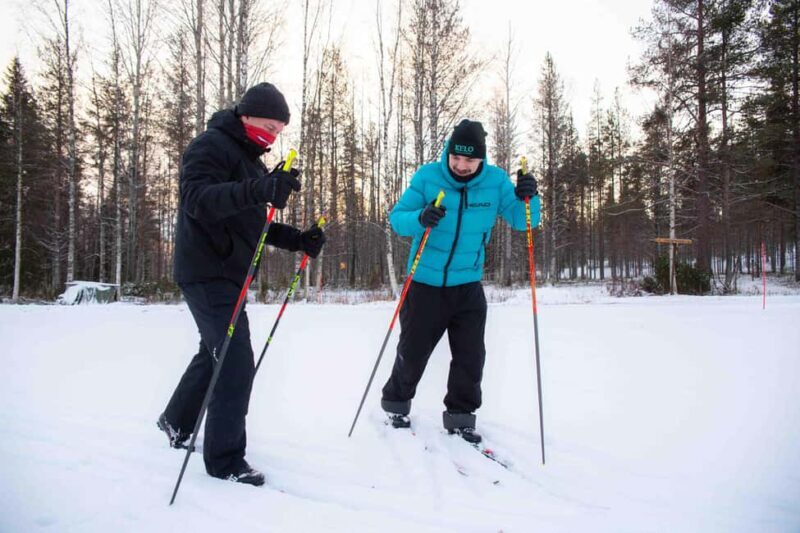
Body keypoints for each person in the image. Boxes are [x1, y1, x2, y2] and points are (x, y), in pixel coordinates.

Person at [157, 82, 326, 486]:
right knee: (234, 362)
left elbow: (252, 223)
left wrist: (297, 240)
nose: (271, 135)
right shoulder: (210, 146)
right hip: (206, 270)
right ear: (245, 115)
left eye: (279, 130)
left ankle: (176, 422)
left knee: (213, 353)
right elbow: (197, 200)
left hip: (230, 273)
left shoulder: (250, 160)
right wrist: (260, 188)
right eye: (267, 125)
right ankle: (225, 460)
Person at [381, 119, 540, 444]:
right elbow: (398, 220)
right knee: (413, 352)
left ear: (481, 159)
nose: (462, 165)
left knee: (470, 356)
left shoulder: (495, 182)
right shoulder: (428, 177)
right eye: (457, 158)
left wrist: (529, 197)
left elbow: (525, 222)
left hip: (467, 284)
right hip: (425, 282)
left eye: (470, 160)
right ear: (448, 152)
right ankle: (396, 403)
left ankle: (461, 417)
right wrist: (421, 217)